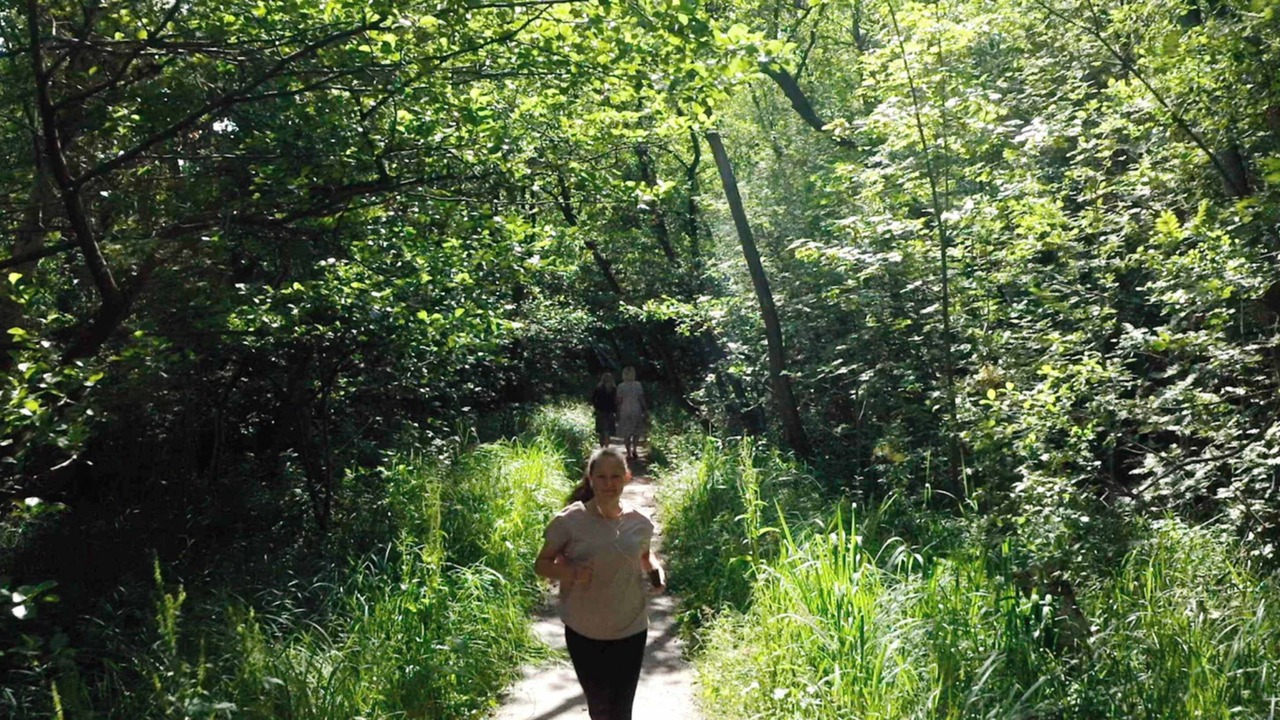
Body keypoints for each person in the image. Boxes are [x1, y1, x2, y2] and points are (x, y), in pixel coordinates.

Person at [534, 447, 666, 720]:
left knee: (620, 710)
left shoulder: (640, 522)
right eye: (602, 477)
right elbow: (541, 565)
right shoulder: (569, 522)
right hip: (585, 631)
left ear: (627, 478)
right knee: (600, 708)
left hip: (631, 627)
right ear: (590, 479)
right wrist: (573, 573)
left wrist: (655, 571)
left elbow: (644, 555)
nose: (609, 484)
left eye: (616, 476)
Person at [614, 366, 647, 461]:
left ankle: (628, 453)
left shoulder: (621, 386)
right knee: (636, 431)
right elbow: (641, 398)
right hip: (636, 410)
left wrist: (617, 412)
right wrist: (645, 409)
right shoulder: (638, 385)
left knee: (626, 432)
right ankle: (635, 449)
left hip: (625, 410)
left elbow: (619, 401)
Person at [590, 372, 618, 447]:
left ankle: (602, 446)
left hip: (600, 411)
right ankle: (607, 445)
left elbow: (593, 398)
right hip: (610, 411)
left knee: (601, 431)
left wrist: (596, 406)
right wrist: (616, 409)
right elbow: (616, 400)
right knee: (608, 430)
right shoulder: (613, 389)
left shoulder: (599, 388)